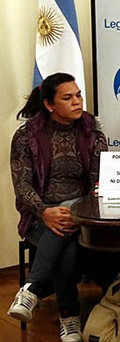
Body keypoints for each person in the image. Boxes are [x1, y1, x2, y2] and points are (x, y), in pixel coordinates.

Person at [7, 73, 108, 342]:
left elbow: (100, 183)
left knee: (68, 215)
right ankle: (70, 319)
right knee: (68, 249)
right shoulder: (26, 136)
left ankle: (31, 289)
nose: (77, 101)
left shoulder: (92, 133)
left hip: (82, 214)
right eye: (68, 97)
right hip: (39, 217)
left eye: (78, 95)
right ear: (50, 104)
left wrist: (79, 212)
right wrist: (44, 211)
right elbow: (22, 185)